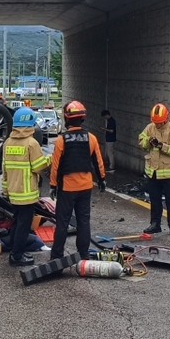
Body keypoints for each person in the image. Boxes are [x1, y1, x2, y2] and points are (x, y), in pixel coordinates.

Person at [49, 100, 106, 260]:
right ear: (82, 119)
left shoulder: (62, 140)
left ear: (67, 119)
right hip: (86, 186)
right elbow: (98, 162)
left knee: (62, 222)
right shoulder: (91, 138)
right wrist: (102, 180)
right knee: (83, 221)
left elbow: (55, 166)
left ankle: (56, 256)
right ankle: (83, 254)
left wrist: (53, 185)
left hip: (67, 187)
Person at [1, 107, 50, 267]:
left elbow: (4, 168)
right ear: (30, 124)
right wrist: (49, 159)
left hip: (13, 192)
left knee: (16, 222)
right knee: (24, 225)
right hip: (27, 193)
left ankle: (15, 250)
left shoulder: (8, 142)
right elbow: (38, 167)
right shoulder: (31, 143)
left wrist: (5, 189)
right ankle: (17, 256)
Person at [139, 103, 170, 236]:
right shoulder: (150, 127)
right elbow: (141, 141)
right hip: (153, 171)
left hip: (168, 172)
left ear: (166, 118)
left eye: (159, 123)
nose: (157, 125)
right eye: (155, 122)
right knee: (155, 199)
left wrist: (161, 146)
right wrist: (148, 141)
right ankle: (155, 224)